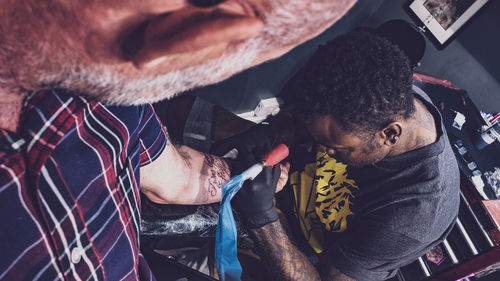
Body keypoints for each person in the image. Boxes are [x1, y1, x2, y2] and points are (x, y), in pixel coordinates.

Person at [0, 0, 358, 280]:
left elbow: (178, 179)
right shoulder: (110, 81)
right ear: (196, 33)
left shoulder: (110, 97)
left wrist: (241, 176)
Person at [221, 30, 460, 281]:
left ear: (389, 134)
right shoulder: (382, 90)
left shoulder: (412, 218)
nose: (322, 150)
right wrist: (277, 133)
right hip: (279, 186)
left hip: (295, 252)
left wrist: (261, 218)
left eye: (333, 147)